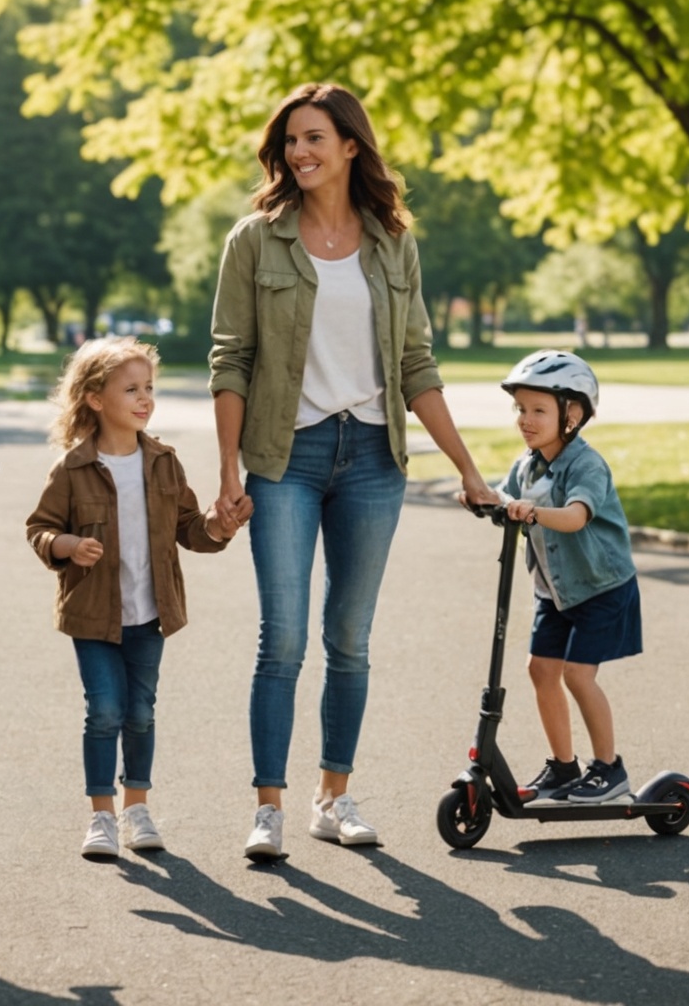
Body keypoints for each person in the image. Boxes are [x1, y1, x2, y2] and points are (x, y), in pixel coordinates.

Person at [209, 83, 498, 860]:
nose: (298, 153)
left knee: (351, 637)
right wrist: (229, 472)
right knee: (284, 637)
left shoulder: (392, 242)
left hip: (372, 457)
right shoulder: (255, 240)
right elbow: (230, 360)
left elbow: (416, 363)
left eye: (313, 139)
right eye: (290, 142)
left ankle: (332, 797)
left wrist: (468, 469)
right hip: (285, 457)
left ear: (349, 147)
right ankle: (267, 808)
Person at [25, 337, 240, 858]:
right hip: (92, 616)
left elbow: (191, 529)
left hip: (149, 615)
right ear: (96, 399)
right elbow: (40, 528)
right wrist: (66, 545)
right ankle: (102, 816)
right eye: (131, 390)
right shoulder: (72, 469)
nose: (145, 399)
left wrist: (220, 525)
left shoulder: (164, 462)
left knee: (140, 711)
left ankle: (137, 807)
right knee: (104, 710)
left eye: (149, 388)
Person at [483, 349, 642, 803]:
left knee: (577, 674)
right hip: (554, 592)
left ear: (571, 415)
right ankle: (563, 768)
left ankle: (610, 771)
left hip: (600, 588)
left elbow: (575, 517)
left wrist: (532, 512)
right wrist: (483, 499)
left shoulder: (585, 464)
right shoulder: (526, 464)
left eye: (538, 410)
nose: (525, 420)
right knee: (540, 670)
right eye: (520, 409)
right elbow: (506, 500)